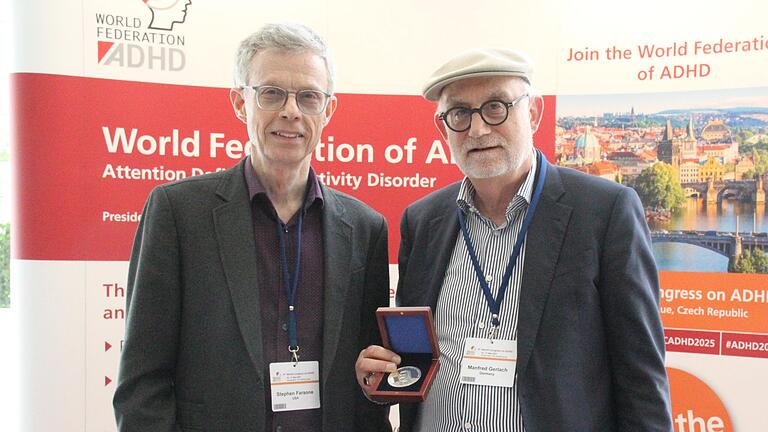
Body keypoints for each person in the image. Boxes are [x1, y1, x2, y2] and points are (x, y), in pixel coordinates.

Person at [355, 48, 672, 431]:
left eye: (495, 107)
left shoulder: (603, 213)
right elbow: (414, 359)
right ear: (443, 129)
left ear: (533, 112)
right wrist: (384, 376)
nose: (477, 130)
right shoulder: (423, 221)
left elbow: (641, 379)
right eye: (459, 114)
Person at [114, 23, 391, 432]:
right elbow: (142, 383)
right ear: (241, 103)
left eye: (309, 96)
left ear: (328, 110)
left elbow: (370, 379)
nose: (291, 111)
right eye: (272, 93)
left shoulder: (366, 229)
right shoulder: (178, 212)